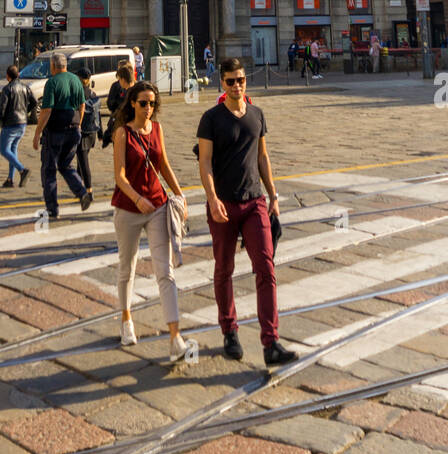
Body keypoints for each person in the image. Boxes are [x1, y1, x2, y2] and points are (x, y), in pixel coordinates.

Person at [197, 57, 298, 368]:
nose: (237, 85)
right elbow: (204, 163)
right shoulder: (210, 118)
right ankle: (230, 331)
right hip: (224, 203)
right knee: (223, 269)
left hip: (255, 201)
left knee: (266, 268)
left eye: (241, 80)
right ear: (222, 84)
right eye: (231, 81)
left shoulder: (257, 114)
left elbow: (263, 158)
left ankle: (271, 342)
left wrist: (274, 197)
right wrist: (212, 199)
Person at [112, 79, 189, 361]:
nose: (148, 108)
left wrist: (181, 195)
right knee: (127, 266)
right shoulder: (122, 133)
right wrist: (136, 199)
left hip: (158, 206)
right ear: (132, 103)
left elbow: (164, 165)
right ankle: (126, 319)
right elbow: (119, 176)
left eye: (152, 104)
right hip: (129, 209)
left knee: (165, 271)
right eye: (143, 103)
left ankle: (175, 337)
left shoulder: (157, 129)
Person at [33, 51, 92, 218]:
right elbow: (82, 106)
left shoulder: (52, 83)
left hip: (55, 131)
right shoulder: (76, 80)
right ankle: (82, 193)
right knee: (66, 165)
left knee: (49, 170)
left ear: (53, 66)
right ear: (65, 65)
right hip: (74, 128)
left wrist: (37, 133)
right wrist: (78, 125)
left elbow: (46, 110)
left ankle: (52, 208)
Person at [0, 64, 36, 189]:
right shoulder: (25, 87)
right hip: (22, 123)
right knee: (13, 150)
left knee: (4, 150)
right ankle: (10, 179)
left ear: (7, 76)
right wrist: (25, 111)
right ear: (18, 75)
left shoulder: (7, 89)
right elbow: (34, 102)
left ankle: (22, 170)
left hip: (10, 123)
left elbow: (1, 108)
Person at [76, 66, 101, 194]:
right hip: (92, 132)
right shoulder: (92, 93)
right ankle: (78, 186)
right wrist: (100, 133)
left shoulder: (77, 93)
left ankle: (88, 189)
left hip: (82, 132)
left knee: (83, 162)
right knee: (81, 160)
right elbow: (98, 114)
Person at [103, 61, 135, 146]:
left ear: (123, 79)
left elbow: (111, 105)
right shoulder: (137, 88)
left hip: (125, 128)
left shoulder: (129, 92)